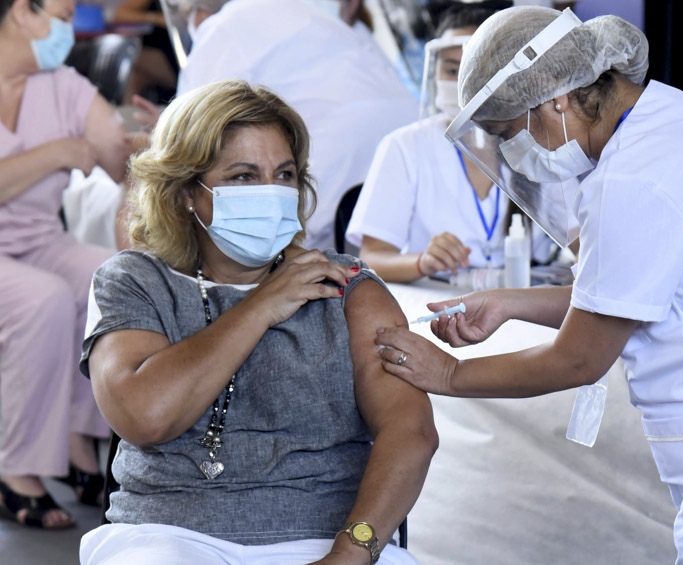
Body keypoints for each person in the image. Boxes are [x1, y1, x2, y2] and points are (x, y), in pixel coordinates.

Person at [373, 7, 683, 563]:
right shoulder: (665, 123)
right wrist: (511, 303)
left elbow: (579, 358)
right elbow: (640, 295)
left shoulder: (638, 175)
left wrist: (448, 373)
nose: (509, 154)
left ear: (554, 100)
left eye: (507, 135)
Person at [79, 80, 436, 564]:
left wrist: (349, 554)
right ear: (187, 191)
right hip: (171, 535)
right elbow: (146, 416)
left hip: (331, 539)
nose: (271, 193)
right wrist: (263, 304)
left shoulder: (349, 287)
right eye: (244, 177)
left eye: (284, 174)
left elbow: (410, 432)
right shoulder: (134, 281)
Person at [0, 0, 131, 529]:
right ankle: (16, 468)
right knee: (44, 298)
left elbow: (119, 158)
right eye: (60, 12)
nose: (70, 27)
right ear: (21, 13)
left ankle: (79, 440)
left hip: (38, 240)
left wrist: (151, 145)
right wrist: (57, 150)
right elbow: (69, 151)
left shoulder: (63, 83)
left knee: (109, 280)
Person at [177, 0, 418, 251]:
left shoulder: (231, 23)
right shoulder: (349, 30)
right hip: (395, 213)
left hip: (321, 213)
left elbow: (188, 135)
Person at [346, 1, 558, 282]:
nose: (462, 88)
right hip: (436, 306)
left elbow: (581, 245)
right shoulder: (404, 147)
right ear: (433, 72)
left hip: (522, 307)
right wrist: (422, 262)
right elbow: (371, 259)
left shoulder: (539, 144)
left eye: (475, 75)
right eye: (451, 70)